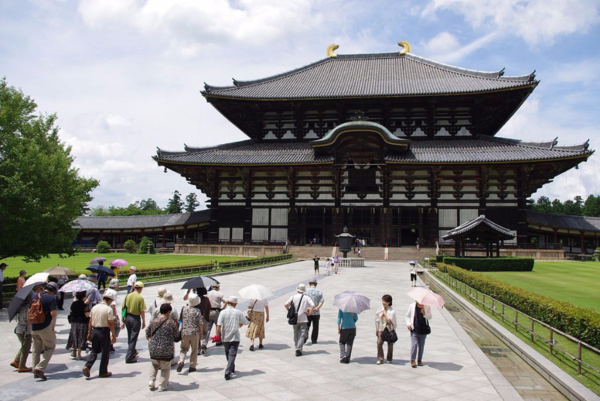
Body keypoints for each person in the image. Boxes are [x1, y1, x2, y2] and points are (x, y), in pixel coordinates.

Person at [83, 292, 117, 378]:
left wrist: (89, 332)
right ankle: (103, 371)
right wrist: (113, 335)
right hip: (103, 331)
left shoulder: (94, 307)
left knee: (94, 350)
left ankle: (87, 366)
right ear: (109, 300)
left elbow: (90, 321)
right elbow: (110, 323)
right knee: (105, 351)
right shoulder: (108, 309)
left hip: (95, 330)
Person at [146, 303, 179, 392]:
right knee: (165, 368)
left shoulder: (154, 321)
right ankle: (162, 385)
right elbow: (176, 336)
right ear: (168, 312)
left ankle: (151, 380)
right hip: (166, 349)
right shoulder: (170, 322)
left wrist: (150, 340)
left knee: (154, 364)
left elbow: (147, 331)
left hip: (153, 348)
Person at [31, 282, 59, 381]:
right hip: (45, 326)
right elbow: (53, 314)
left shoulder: (35, 295)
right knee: (50, 347)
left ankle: (35, 369)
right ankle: (40, 368)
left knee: (36, 349)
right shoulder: (51, 298)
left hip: (34, 325)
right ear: (53, 291)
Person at [216, 296, 248, 380]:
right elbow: (245, 322)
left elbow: (218, 325)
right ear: (235, 303)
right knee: (232, 355)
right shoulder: (238, 312)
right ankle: (228, 371)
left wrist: (217, 335)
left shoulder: (222, 312)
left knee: (228, 353)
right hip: (235, 337)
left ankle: (231, 368)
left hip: (225, 337)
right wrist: (246, 319)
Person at [284, 284, 315, 357]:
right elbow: (313, 305)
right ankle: (299, 349)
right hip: (303, 318)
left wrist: (289, 311)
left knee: (295, 333)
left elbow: (285, 304)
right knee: (302, 334)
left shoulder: (293, 296)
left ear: (297, 289)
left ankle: (296, 347)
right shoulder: (306, 297)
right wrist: (309, 312)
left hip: (295, 318)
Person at [11, 290, 36, 372]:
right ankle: (22, 366)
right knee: (26, 348)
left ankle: (16, 361)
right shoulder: (28, 308)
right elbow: (28, 321)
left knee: (24, 347)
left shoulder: (21, 306)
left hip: (19, 330)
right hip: (25, 331)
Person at [177, 294, 203, 373]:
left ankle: (181, 360)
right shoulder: (197, 311)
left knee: (183, 349)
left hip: (185, 331)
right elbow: (200, 323)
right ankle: (192, 366)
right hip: (194, 332)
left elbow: (180, 319)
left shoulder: (183, 309)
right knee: (194, 350)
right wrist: (201, 333)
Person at [123, 281, 146, 363]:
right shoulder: (140, 298)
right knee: (133, 338)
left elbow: (124, 308)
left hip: (128, 317)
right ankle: (129, 357)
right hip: (135, 318)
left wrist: (123, 318)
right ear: (140, 288)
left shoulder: (128, 296)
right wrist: (144, 321)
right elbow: (142, 311)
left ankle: (132, 352)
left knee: (130, 337)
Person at [405, 301, 432, 368]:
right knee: (414, 344)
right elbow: (407, 316)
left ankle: (419, 360)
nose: (420, 304)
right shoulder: (412, 306)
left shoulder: (427, 306)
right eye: (419, 303)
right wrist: (408, 324)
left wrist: (424, 313)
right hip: (414, 329)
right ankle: (413, 360)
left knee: (421, 345)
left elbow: (430, 317)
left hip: (423, 329)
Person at [67, 291, 90, 360]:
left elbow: (70, 311)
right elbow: (87, 315)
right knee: (81, 337)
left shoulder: (73, 304)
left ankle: (74, 352)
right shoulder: (84, 305)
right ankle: (79, 354)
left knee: (75, 336)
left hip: (74, 322)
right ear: (83, 297)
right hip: (82, 322)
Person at [375, 294, 397, 365]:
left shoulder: (392, 311)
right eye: (383, 300)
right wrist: (377, 328)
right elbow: (377, 319)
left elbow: (389, 320)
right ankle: (380, 358)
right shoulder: (380, 309)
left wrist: (385, 313)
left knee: (390, 344)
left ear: (389, 302)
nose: (383, 302)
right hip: (381, 328)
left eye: (385, 301)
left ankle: (389, 358)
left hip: (389, 329)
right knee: (379, 343)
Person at [304, 278, 324, 345]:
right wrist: (317, 307)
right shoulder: (319, 291)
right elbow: (322, 301)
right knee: (315, 327)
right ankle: (314, 339)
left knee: (307, 326)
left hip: (308, 312)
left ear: (309, 284)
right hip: (316, 312)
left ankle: (304, 337)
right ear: (316, 284)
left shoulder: (306, 291)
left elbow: (303, 301)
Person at [205, 283, 225, 348]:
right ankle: (218, 341)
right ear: (218, 287)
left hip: (208, 311)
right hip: (217, 311)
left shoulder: (207, 293)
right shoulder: (219, 294)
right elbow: (226, 301)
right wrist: (222, 308)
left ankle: (204, 343)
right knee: (218, 326)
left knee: (208, 329)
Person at [105, 279, 120, 352]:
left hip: (105, 311)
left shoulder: (107, 290)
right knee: (116, 327)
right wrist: (115, 315)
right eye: (117, 284)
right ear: (114, 285)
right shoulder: (114, 292)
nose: (118, 285)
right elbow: (113, 305)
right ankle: (111, 343)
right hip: (110, 312)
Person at [194, 287, 211, 355]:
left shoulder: (195, 299)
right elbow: (209, 307)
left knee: (197, 333)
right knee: (205, 332)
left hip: (196, 318)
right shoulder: (206, 299)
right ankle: (203, 344)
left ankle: (198, 349)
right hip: (204, 317)